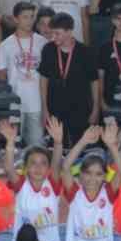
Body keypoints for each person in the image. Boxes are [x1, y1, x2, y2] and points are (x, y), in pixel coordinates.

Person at [5, 117, 92, 241]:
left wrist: (58, 142)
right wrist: (10, 143)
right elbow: (9, 169)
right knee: (27, 231)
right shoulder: (21, 184)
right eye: (33, 163)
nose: (38, 167)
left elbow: (57, 164)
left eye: (43, 163)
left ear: (48, 168)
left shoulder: (52, 184)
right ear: (25, 168)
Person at [64, 120, 120, 241]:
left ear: (104, 176)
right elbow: (66, 167)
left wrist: (112, 145)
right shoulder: (75, 193)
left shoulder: (108, 193)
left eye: (98, 174)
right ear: (80, 175)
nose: (92, 178)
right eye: (88, 173)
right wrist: (83, 141)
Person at [38, 12, 98, 147]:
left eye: (57, 33)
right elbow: (43, 79)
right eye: (52, 33)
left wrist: (95, 109)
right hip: (55, 106)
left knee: (81, 144)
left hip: (80, 107)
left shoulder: (85, 52)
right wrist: (44, 108)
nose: (53, 37)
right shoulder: (48, 49)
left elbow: (94, 81)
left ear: (70, 32)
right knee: (56, 144)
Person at [0, 2, 48, 147]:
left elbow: (47, 76)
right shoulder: (5, 45)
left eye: (32, 17)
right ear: (15, 19)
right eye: (25, 17)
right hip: (15, 103)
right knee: (13, 147)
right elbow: (1, 76)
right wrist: (6, 104)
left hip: (36, 103)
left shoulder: (43, 42)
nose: (29, 21)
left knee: (37, 146)